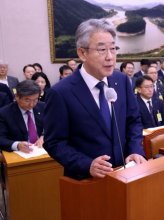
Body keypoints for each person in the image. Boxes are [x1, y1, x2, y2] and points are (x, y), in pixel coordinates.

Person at [43, 19, 146, 180]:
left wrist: (135, 150)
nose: (110, 57)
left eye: (113, 48)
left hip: (124, 174)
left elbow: (133, 121)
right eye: (102, 50)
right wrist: (87, 164)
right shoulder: (61, 92)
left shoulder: (121, 81)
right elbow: (54, 143)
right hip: (86, 182)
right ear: (82, 53)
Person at [0, 80, 44, 152]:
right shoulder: (4, 113)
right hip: (19, 155)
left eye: (35, 100)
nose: (32, 104)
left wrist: (44, 136)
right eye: (27, 100)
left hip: (41, 151)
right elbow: (1, 138)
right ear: (17, 97)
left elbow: (53, 126)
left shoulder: (43, 107)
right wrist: (17, 145)